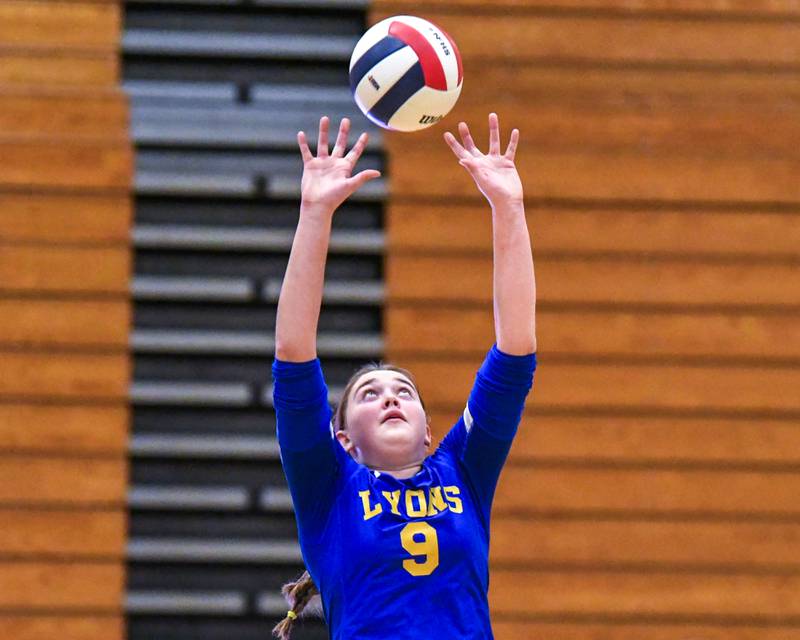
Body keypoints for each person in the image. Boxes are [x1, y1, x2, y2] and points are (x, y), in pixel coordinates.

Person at [271, 113, 537, 639]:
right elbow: (293, 354)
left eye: (404, 392)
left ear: (429, 430)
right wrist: (315, 213)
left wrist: (509, 207)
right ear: (343, 440)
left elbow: (515, 354)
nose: (391, 399)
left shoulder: (463, 469)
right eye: (370, 395)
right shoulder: (329, 489)